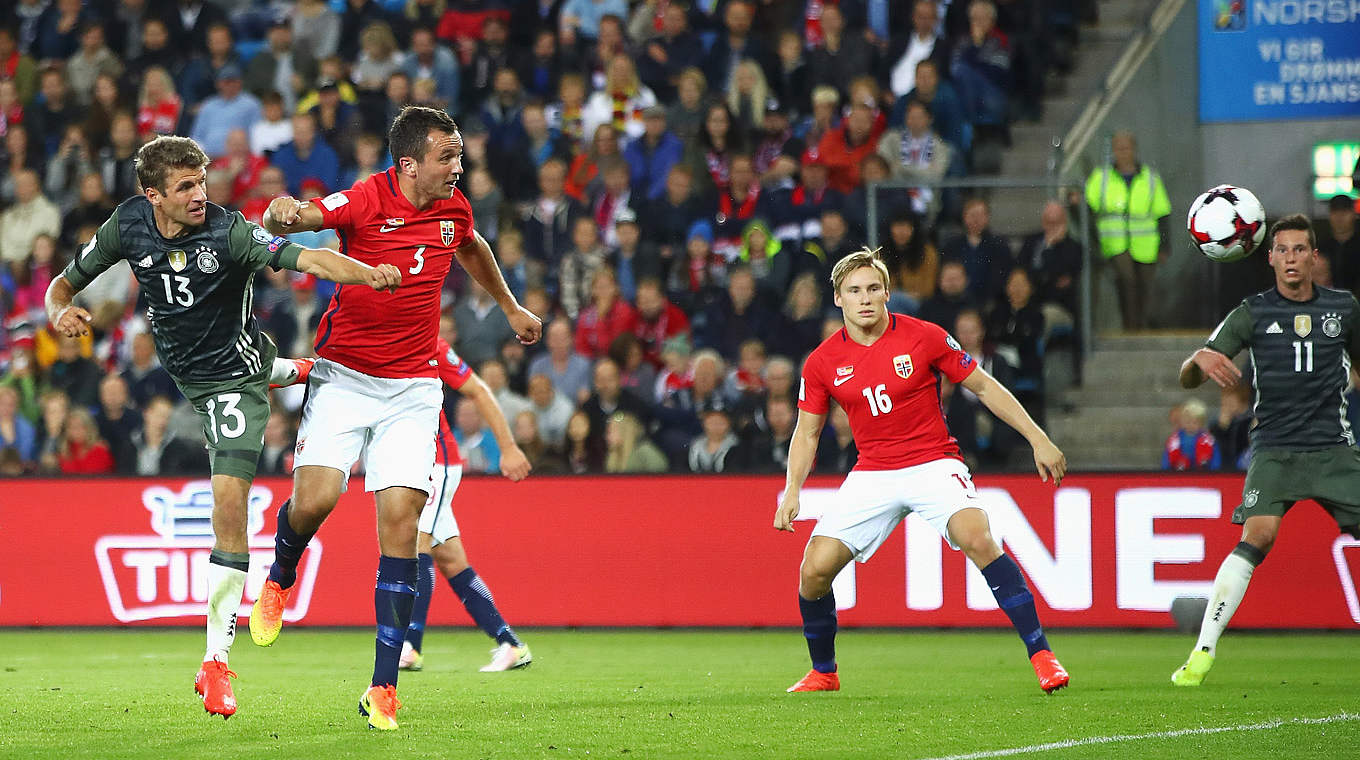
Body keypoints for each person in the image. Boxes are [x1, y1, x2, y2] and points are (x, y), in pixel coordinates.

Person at [44, 135, 401, 719]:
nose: (198, 196)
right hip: (192, 366)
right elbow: (63, 283)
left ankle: (215, 664)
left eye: (202, 182)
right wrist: (61, 310)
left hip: (231, 383)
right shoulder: (127, 224)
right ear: (152, 193)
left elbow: (306, 257)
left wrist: (370, 274)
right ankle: (301, 370)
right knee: (269, 372)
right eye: (185, 187)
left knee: (229, 505)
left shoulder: (230, 231)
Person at [249, 106, 541, 730]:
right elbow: (306, 216)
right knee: (316, 500)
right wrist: (282, 213)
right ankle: (279, 575)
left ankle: (383, 687)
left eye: (459, 156)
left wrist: (511, 308)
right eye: (447, 157)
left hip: (413, 387)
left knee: (401, 522)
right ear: (409, 164)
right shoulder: (364, 199)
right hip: (345, 377)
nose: (458, 168)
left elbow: (475, 248)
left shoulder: (454, 210)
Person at [773, 248, 1069, 694]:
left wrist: (1038, 438)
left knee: (978, 537)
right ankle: (824, 672)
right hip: (872, 471)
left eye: (873, 288)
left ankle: (1043, 656)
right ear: (838, 299)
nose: (865, 298)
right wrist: (792, 489)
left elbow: (983, 386)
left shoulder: (925, 336)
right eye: (854, 290)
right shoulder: (821, 362)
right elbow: (807, 432)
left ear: (888, 292)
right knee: (813, 571)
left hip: (933, 461)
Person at [1171, 214, 1360, 686]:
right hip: (1274, 450)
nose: (1292, 258)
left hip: (1334, 449)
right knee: (1257, 536)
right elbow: (1190, 374)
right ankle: (1202, 652)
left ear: (1314, 258)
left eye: (1301, 249)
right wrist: (1197, 360)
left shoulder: (1345, 308)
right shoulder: (1251, 312)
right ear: (1270, 258)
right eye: (1283, 250)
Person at [396, 336, 533, 674]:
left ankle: (411, 645)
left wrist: (508, 447)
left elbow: (478, 391)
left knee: (417, 544)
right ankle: (510, 644)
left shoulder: (429, 344)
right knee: (451, 558)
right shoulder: (375, 343)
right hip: (412, 460)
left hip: (437, 461)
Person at [1084, 130, 1170, 330]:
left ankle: (1140, 328)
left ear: (1134, 149)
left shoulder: (1150, 177)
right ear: (1113, 150)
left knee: (1145, 288)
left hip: (1147, 245)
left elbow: (1163, 212)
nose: (1123, 152)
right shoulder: (1101, 176)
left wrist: (1165, 246)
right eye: (1118, 148)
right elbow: (1087, 205)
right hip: (1115, 243)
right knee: (1127, 281)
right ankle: (1130, 328)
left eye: (1126, 148)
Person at [1161, 399, 1219, 471]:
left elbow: (1216, 460)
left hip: (1202, 475)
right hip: (1179, 475)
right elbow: (1166, 460)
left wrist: (1214, 471)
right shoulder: (1174, 440)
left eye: (1195, 422)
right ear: (1182, 421)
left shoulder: (1208, 440)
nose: (1191, 425)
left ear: (1201, 423)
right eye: (1188, 421)